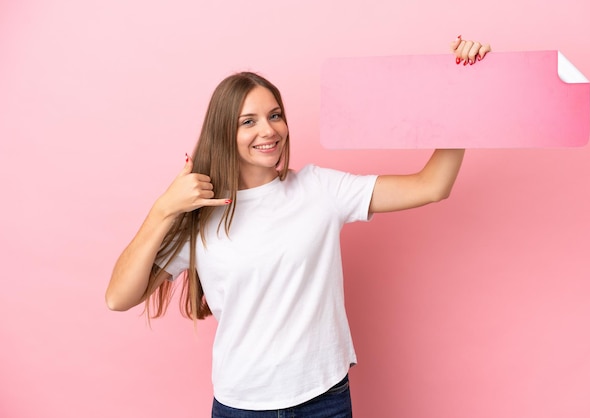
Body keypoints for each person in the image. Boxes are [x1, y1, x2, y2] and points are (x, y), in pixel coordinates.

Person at [106, 37, 491, 417]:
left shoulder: (319, 189)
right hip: (242, 408)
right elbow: (118, 297)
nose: (268, 130)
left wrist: (456, 91)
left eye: (275, 115)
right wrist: (163, 209)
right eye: (248, 122)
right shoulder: (200, 214)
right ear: (224, 132)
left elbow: (432, 185)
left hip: (325, 399)